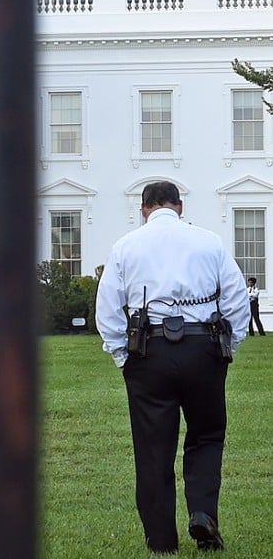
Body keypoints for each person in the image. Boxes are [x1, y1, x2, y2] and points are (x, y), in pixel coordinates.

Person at [95, 180, 249, 554]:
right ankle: (202, 513)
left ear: (144, 209)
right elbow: (236, 297)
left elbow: (108, 309)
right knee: (207, 436)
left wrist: (122, 357)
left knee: (152, 448)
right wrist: (229, 346)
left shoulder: (125, 246)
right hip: (203, 348)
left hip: (149, 350)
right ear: (180, 206)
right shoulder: (210, 242)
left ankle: (162, 540)